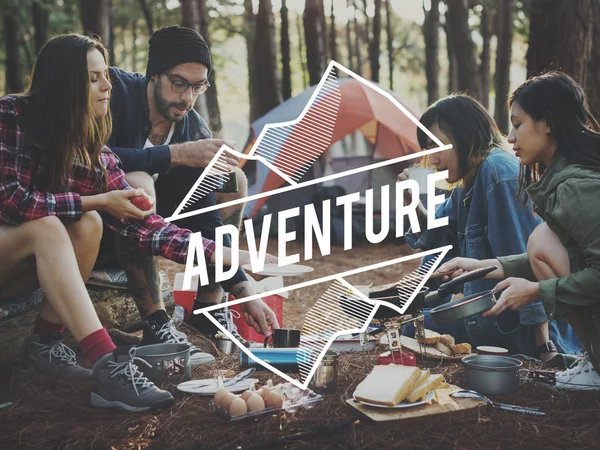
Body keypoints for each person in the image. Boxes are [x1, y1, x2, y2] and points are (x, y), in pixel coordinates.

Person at [0, 34, 253, 411]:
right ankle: (108, 364)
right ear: (64, 82)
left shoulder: (87, 143)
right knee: (53, 226)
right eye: (94, 78)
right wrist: (99, 200)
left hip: (23, 265)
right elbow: (11, 201)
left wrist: (227, 257)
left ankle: (46, 345)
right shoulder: (13, 114)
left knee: (89, 224)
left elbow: (144, 225)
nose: (107, 87)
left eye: (106, 76)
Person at [104, 26, 278, 346]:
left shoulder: (191, 125)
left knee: (234, 180)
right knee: (138, 183)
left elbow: (206, 213)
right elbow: (89, 157)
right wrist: (175, 155)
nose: (187, 98)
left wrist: (243, 289)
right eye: (179, 83)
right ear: (153, 75)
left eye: (198, 87)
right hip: (97, 223)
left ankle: (208, 306)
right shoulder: (114, 94)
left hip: (161, 230)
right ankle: (156, 322)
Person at [437, 72, 600, 389]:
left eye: (518, 124)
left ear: (548, 122)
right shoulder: (563, 180)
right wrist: (481, 268)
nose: (510, 137)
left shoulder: (576, 186)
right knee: (543, 242)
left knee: (540, 240)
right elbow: (566, 257)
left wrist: (535, 292)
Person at [399, 94, 580, 360]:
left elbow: (527, 257)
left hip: (518, 324)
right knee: (406, 324)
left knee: (410, 330)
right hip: (492, 314)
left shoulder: (497, 173)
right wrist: (413, 203)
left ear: (464, 134)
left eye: (436, 145)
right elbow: (437, 241)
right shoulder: (468, 184)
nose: (432, 159)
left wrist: (543, 348)